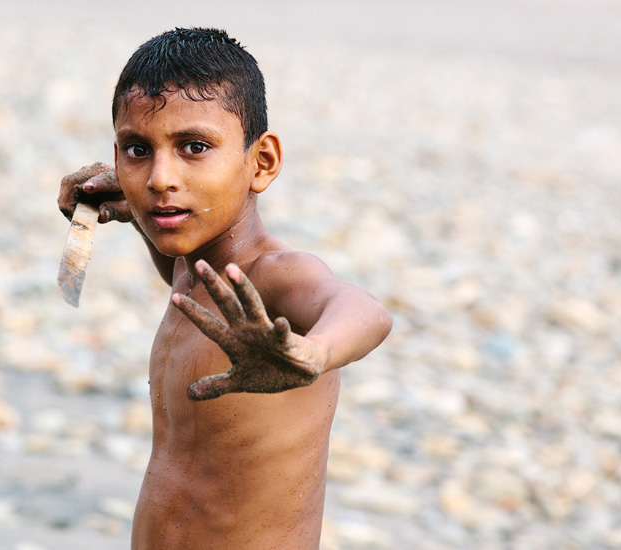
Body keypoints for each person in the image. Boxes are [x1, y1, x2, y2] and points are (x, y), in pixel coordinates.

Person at [58, 27, 392, 550]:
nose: (160, 178)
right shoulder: (194, 270)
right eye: (138, 150)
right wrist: (139, 219)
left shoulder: (275, 276)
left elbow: (363, 308)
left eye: (194, 147)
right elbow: (178, 273)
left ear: (261, 163)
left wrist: (312, 352)